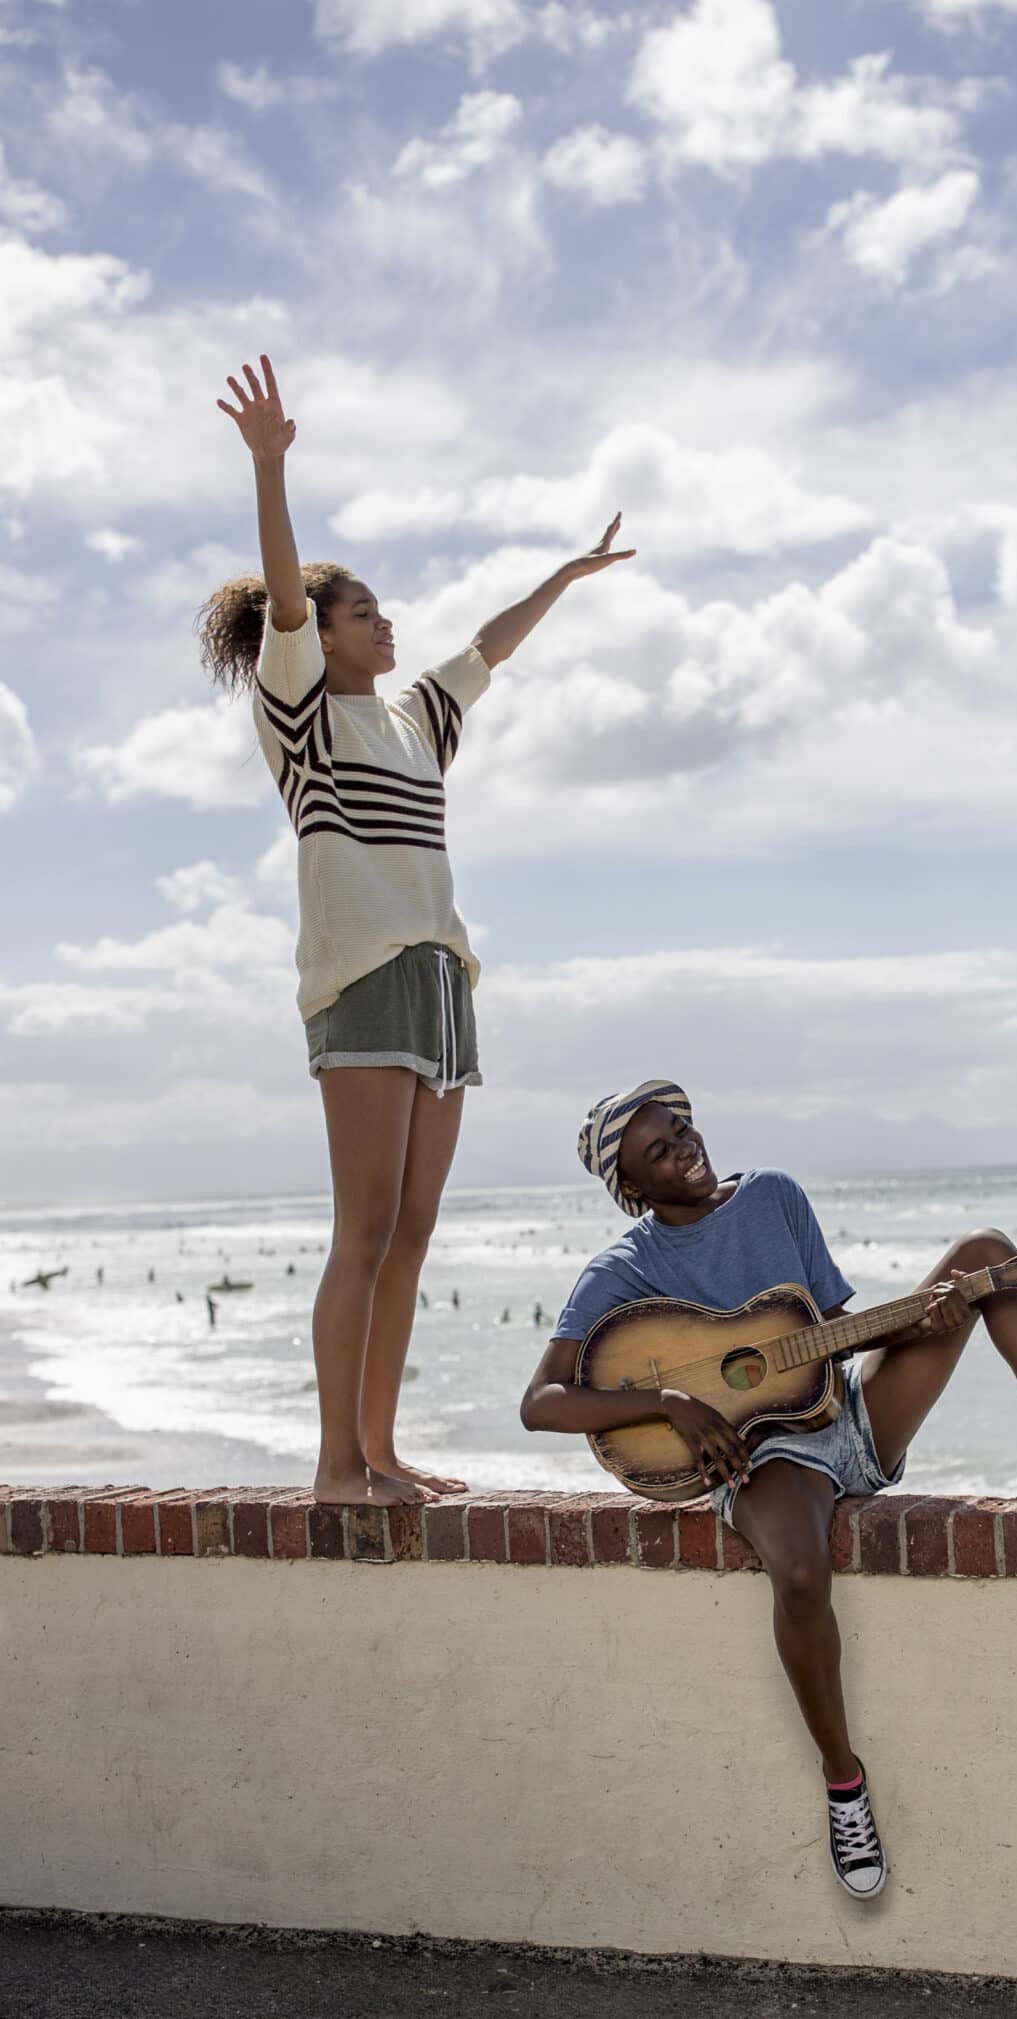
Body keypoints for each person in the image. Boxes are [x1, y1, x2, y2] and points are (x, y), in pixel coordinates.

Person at [520, 1080, 1017, 1900]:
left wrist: (915, 1323)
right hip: (761, 1455)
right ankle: (843, 1782)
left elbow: (828, 1333)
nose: (683, 1146)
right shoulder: (625, 1267)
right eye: (658, 1150)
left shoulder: (772, 1196)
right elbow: (542, 1404)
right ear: (631, 1188)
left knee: (983, 1254)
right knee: (797, 1573)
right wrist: (669, 1401)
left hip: (845, 1412)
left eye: (680, 1127)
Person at [201, 356, 632, 1505]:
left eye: (380, 611)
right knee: (367, 1225)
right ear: (319, 635)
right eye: (364, 612)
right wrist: (269, 468)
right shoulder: (300, 712)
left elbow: (489, 647)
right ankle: (338, 1465)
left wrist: (566, 576)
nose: (383, 622)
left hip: (443, 980)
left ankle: (382, 1452)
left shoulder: (416, 718)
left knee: (413, 1235)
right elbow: (286, 594)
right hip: (363, 976)